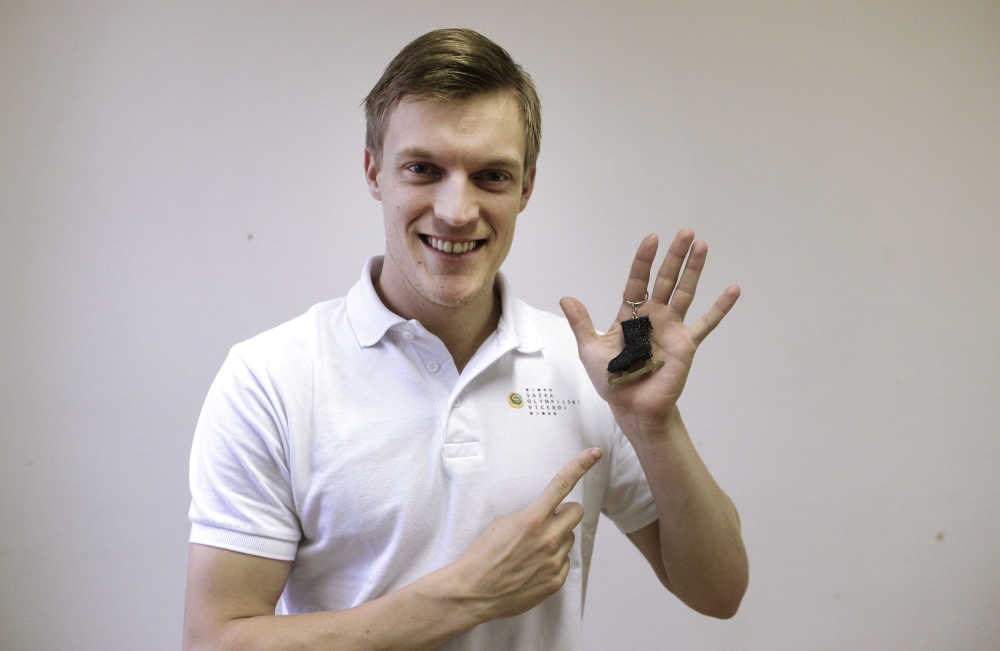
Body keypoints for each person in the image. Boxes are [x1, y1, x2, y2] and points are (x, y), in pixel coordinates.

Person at [183, 28, 748, 651]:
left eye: (491, 176)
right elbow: (214, 640)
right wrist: (463, 597)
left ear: (526, 187)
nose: (456, 211)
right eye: (423, 169)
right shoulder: (271, 378)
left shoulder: (590, 370)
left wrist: (654, 426)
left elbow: (719, 592)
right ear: (375, 172)